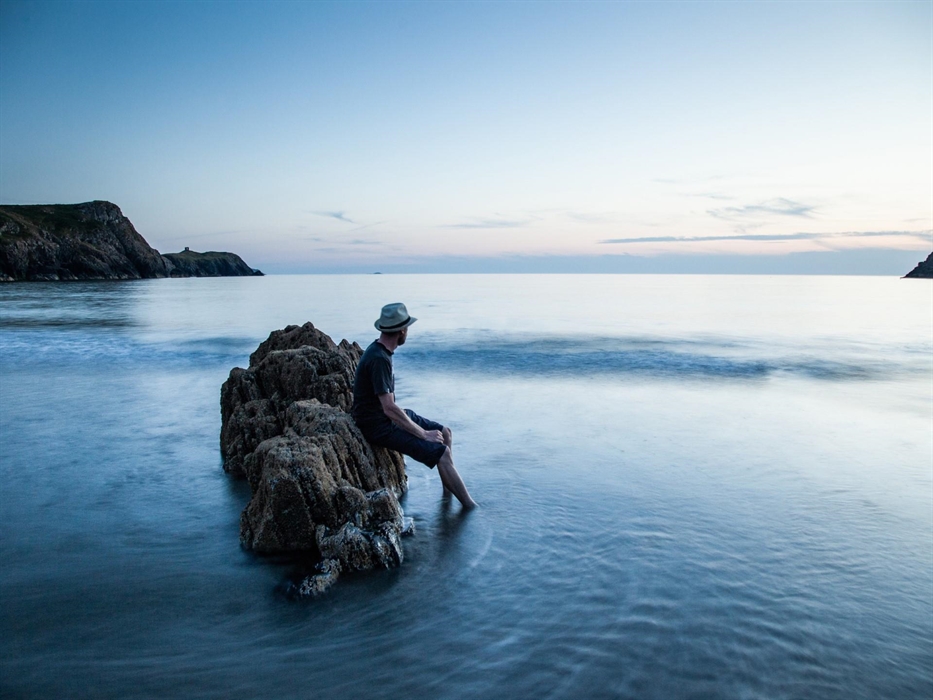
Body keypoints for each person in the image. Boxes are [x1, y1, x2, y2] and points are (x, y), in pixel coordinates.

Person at [352, 302, 477, 509]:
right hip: (376, 426)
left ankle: (448, 489)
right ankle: (471, 508)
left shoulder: (381, 352)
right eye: (407, 328)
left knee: (445, 433)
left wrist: (426, 431)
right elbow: (389, 408)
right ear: (402, 330)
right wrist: (422, 433)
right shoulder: (378, 359)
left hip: (383, 417)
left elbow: (389, 405)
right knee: (441, 452)